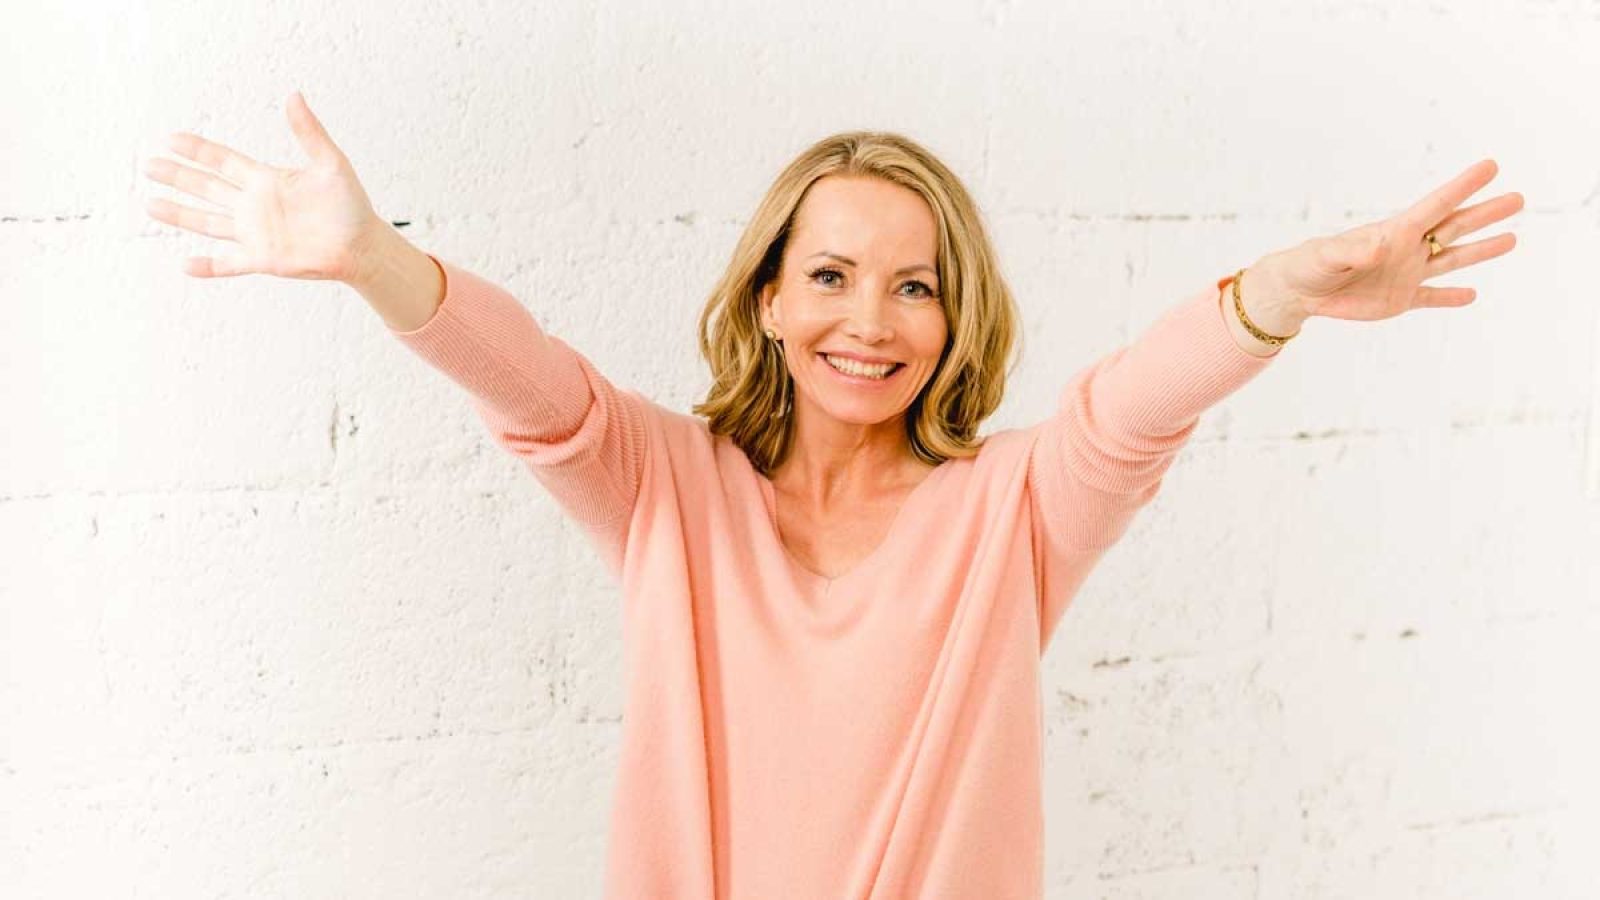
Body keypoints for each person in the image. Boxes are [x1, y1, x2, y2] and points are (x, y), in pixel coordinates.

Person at [142, 91, 1522, 898]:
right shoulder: (666, 491)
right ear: (768, 295)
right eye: (832, 274)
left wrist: (1281, 292)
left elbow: (1135, 406)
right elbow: (530, 384)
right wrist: (373, 257)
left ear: (955, 316)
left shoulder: (1015, 511)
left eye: (915, 284)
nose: (872, 320)